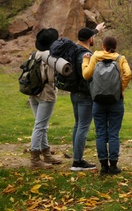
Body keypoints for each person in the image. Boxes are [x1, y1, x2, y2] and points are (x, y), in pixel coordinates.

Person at [82, 36, 132, 175]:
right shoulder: (120, 58)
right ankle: (114, 165)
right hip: (116, 101)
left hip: (98, 101)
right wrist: (119, 89)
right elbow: (128, 74)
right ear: (115, 46)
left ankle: (103, 165)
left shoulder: (95, 57)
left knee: (100, 133)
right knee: (114, 133)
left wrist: (85, 61)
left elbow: (86, 75)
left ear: (103, 46)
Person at [70, 23, 105, 171]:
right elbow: (92, 76)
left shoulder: (73, 49)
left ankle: (76, 157)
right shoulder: (86, 55)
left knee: (78, 125)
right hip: (85, 94)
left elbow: (89, 34)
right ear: (90, 39)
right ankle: (77, 162)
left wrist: (97, 29)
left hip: (74, 93)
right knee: (83, 126)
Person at [29, 28, 62, 169]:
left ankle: (46, 154)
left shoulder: (34, 54)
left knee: (41, 125)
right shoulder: (50, 56)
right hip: (46, 94)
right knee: (40, 126)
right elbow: (50, 78)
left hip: (33, 93)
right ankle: (35, 159)